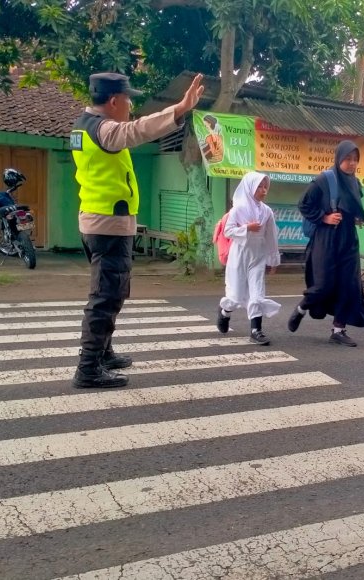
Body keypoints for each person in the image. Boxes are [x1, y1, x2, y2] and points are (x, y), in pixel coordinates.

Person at [69, 71, 205, 389]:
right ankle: (88, 368)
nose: (131, 105)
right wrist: (179, 108)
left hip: (102, 221)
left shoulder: (83, 126)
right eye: (128, 99)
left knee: (114, 292)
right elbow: (137, 130)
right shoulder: (104, 129)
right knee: (105, 296)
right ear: (114, 101)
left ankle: (103, 353)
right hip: (107, 226)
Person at [288, 140, 364, 346]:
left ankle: (338, 330)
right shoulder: (323, 180)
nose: (352, 164)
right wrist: (324, 217)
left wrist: (355, 218)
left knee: (349, 285)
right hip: (326, 239)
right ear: (338, 159)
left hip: (348, 239)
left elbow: (351, 206)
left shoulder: (354, 182)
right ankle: (301, 308)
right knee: (323, 284)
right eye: (348, 159)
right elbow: (304, 204)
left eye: (355, 160)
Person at [216, 172, 281, 345]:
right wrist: (246, 228)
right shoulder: (238, 209)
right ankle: (224, 311)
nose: (263, 190)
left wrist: (273, 260)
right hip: (239, 255)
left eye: (265, 186)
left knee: (257, 294)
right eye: (259, 186)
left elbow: (271, 236)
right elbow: (228, 231)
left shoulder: (267, 211)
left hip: (257, 256)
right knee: (235, 296)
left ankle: (256, 330)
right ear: (250, 187)